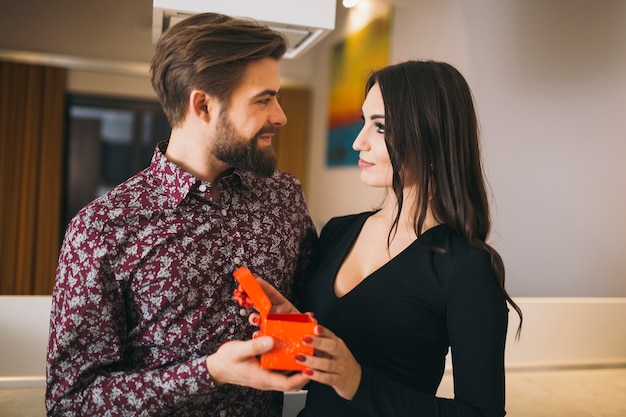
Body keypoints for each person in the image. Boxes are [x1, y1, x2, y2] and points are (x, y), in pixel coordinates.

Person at [46, 12, 317, 417]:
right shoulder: (101, 228)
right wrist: (208, 372)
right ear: (203, 104)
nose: (280, 115)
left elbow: (308, 311)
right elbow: (70, 401)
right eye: (263, 99)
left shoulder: (283, 197)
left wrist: (297, 339)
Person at [253, 60, 523, 416]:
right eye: (363, 122)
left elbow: (482, 412)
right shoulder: (338, 231)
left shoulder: (467, 267)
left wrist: (360, 384)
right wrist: (293, 327)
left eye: (379, 127)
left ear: (432, 136)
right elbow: (310, 369)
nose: (357, 142)